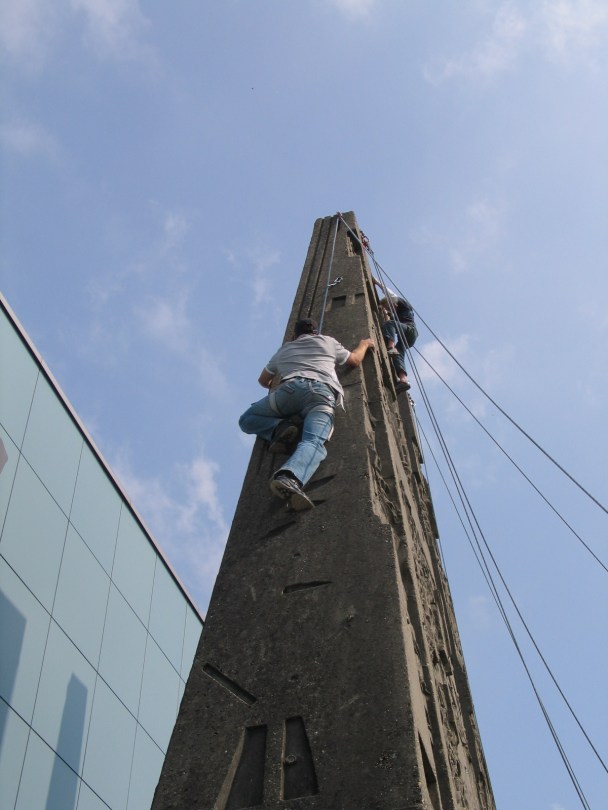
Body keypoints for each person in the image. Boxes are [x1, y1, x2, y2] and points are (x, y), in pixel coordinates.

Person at [239, 318, 375, 511]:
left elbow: (263, 380)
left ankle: (280, 427)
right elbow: (354, 361)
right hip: (322, 394)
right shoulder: (328, 341)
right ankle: (289, 477)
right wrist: (365, 344)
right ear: (315, 332)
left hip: (289, 390)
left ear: (294, 335)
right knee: (313, 441)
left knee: (246, 419)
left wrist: (276, 387)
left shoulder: (284, 349)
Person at [372, 276, 418, 393]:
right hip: (408, 337)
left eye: (389, 307)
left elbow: (390, 294)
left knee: (390, 324)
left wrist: (377, 282)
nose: (389, 310)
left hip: (410, 330)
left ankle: (391, 347)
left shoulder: (403, 304)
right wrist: (384, 311)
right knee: (399, 354)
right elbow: (387, 316)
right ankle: (403, 380)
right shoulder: (395, 314)